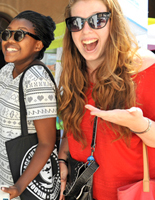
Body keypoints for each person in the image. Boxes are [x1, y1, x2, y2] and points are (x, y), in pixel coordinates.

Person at [57, 0, 155, 200]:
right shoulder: (73, 75)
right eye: (76, 22)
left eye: (97, 20)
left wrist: (140, 125)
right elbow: (71, 128)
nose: (85, 31)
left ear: (114, 23)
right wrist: (62, 159)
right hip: (80, 193)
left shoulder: (146, 69)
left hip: (131, 194)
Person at [0, 10, 58, 200]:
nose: (10, 40)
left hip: (28, 182)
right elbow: (17, 118)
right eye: (6, 34)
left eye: (20, 35)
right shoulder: (7, 71)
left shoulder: (37, 80)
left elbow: (47, 143)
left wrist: (19, 186)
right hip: (6, 174)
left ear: (38, 44)